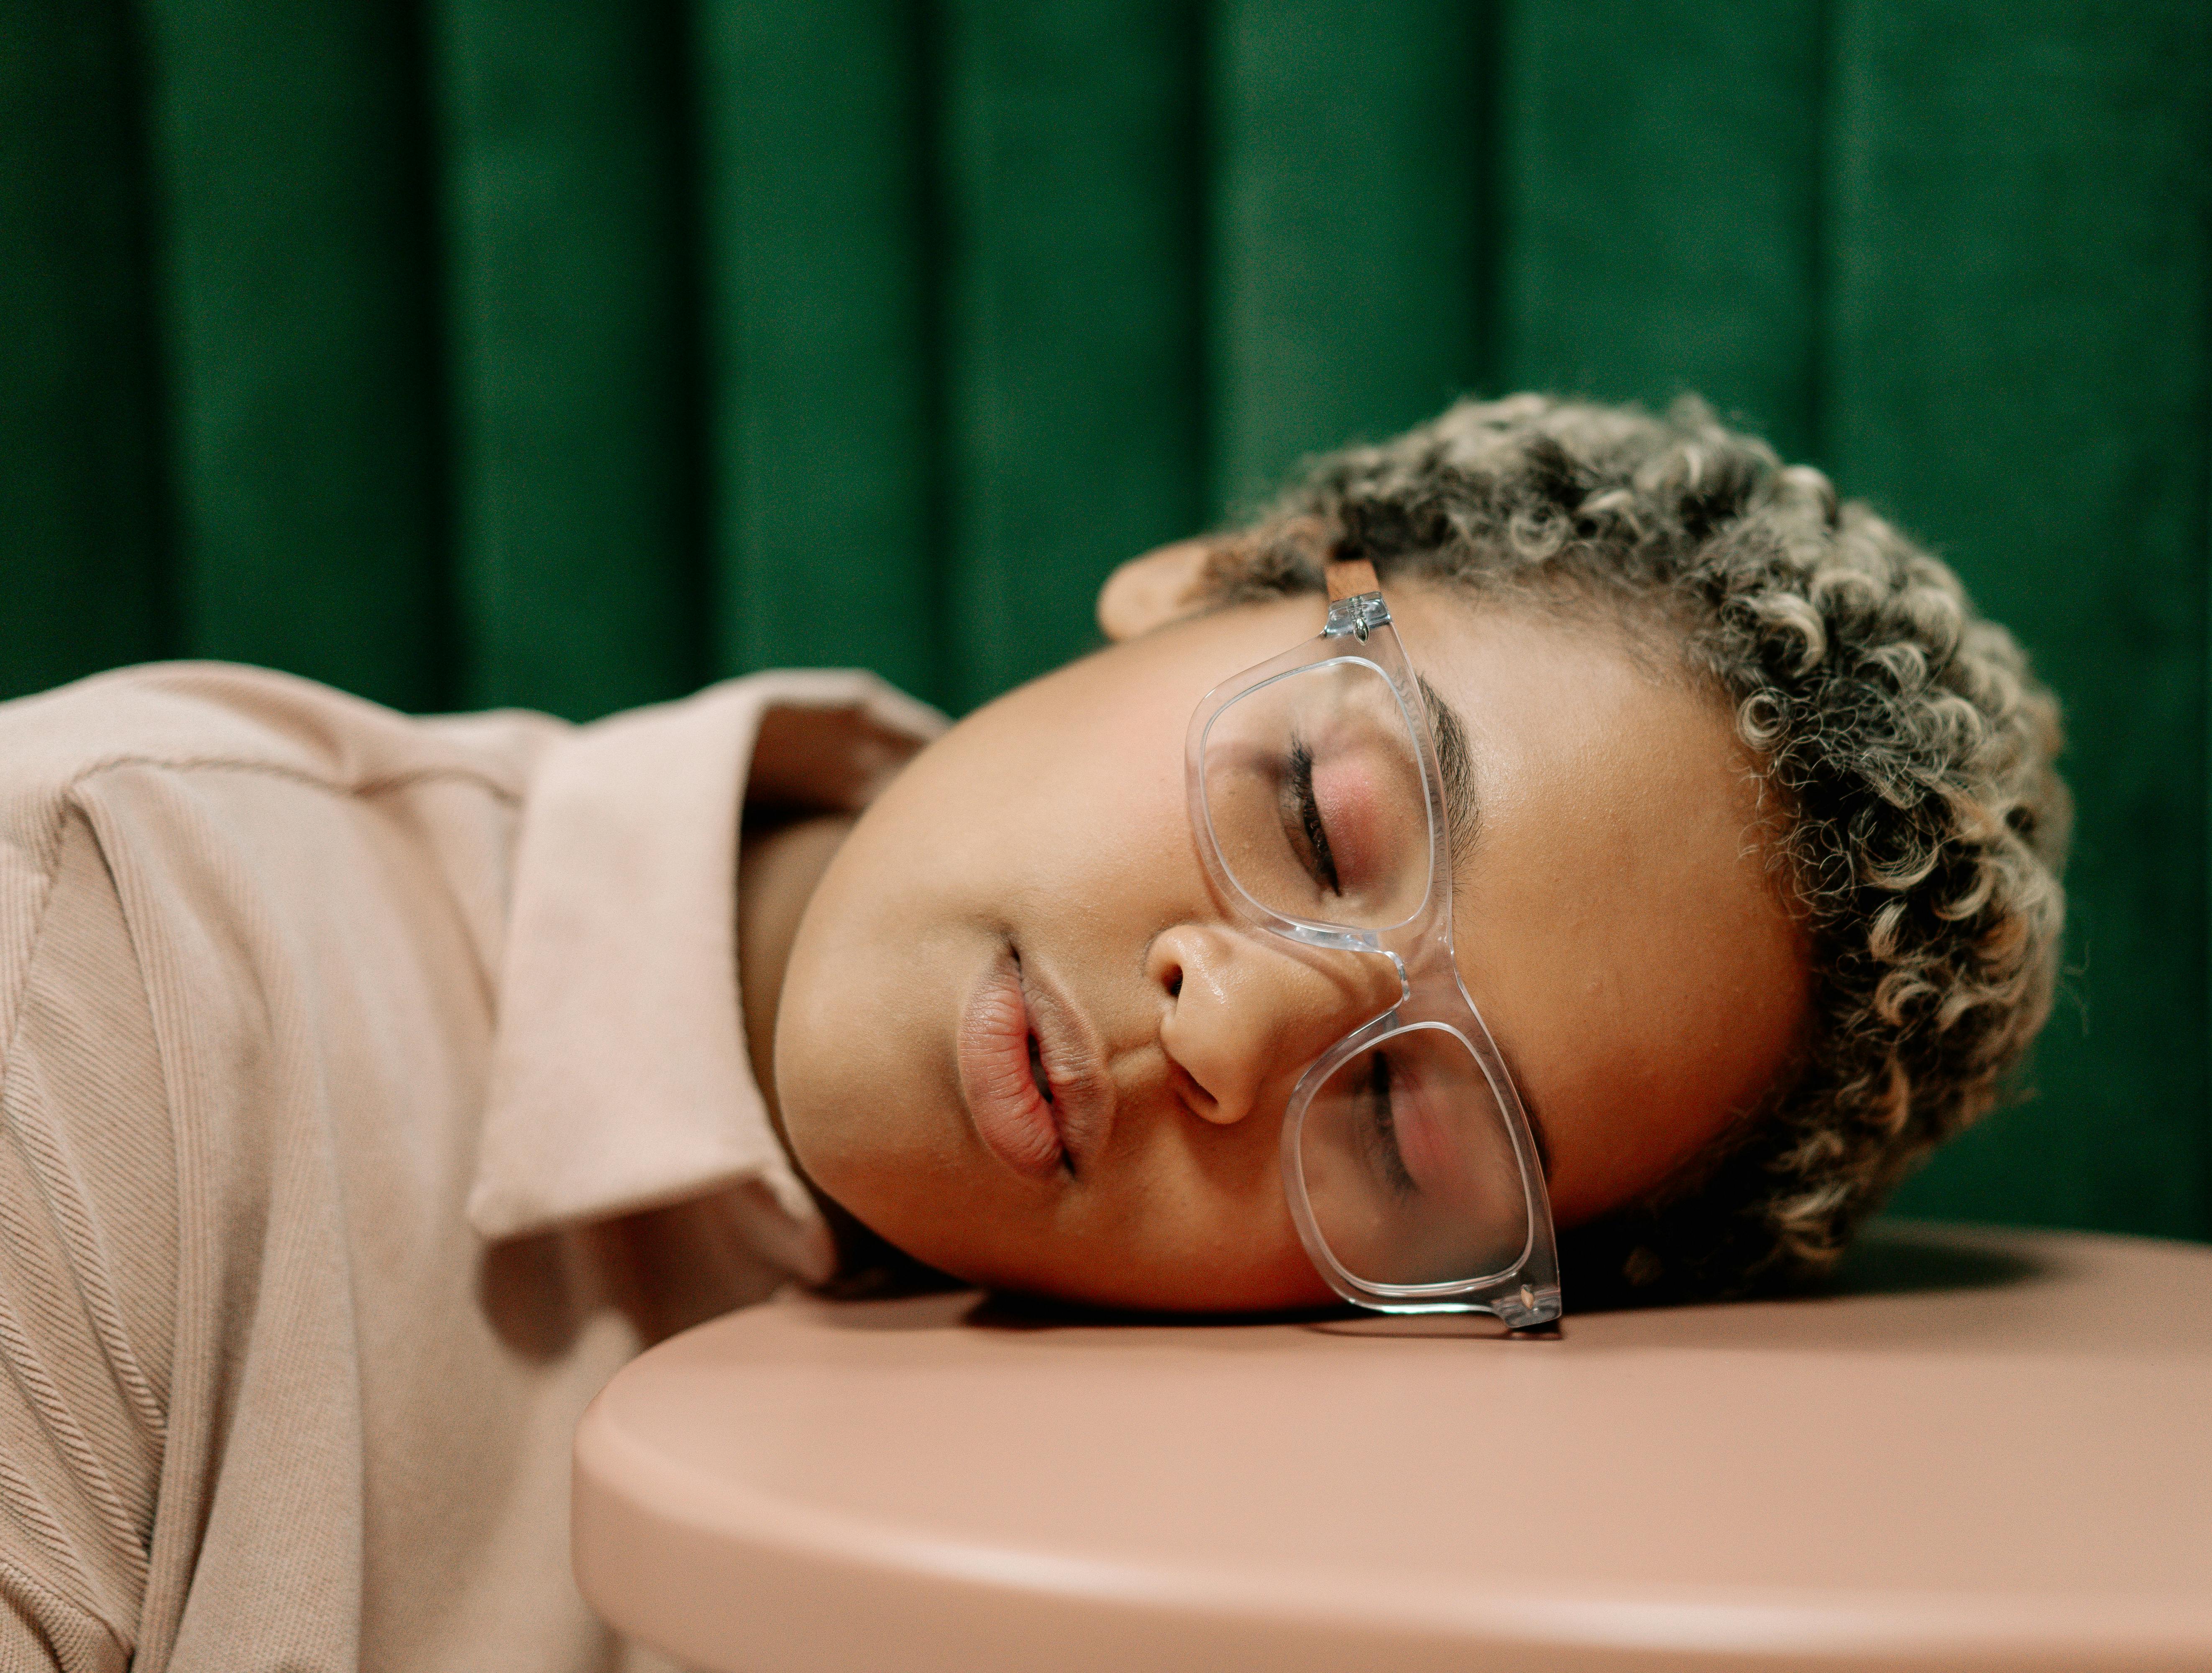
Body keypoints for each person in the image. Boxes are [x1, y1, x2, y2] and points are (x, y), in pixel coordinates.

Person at [0, 394, 2065, 1669]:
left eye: (1418, 1128)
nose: (1234, 1029)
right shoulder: (97, 966)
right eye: (1319, 818)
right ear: (1200, 588)